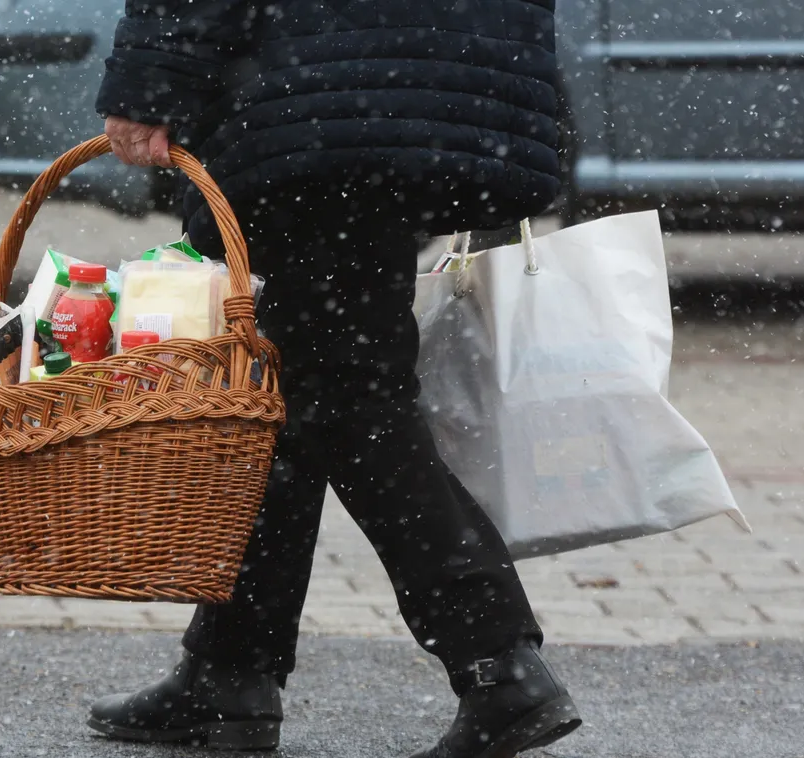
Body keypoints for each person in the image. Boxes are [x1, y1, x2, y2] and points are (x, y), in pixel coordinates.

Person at [89, 1, 579, 756]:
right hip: (418, 77)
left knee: (349, 401)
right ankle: (228, 673)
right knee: (296, 400)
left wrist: (151, 83)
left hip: (323, 96)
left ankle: (496, 665)